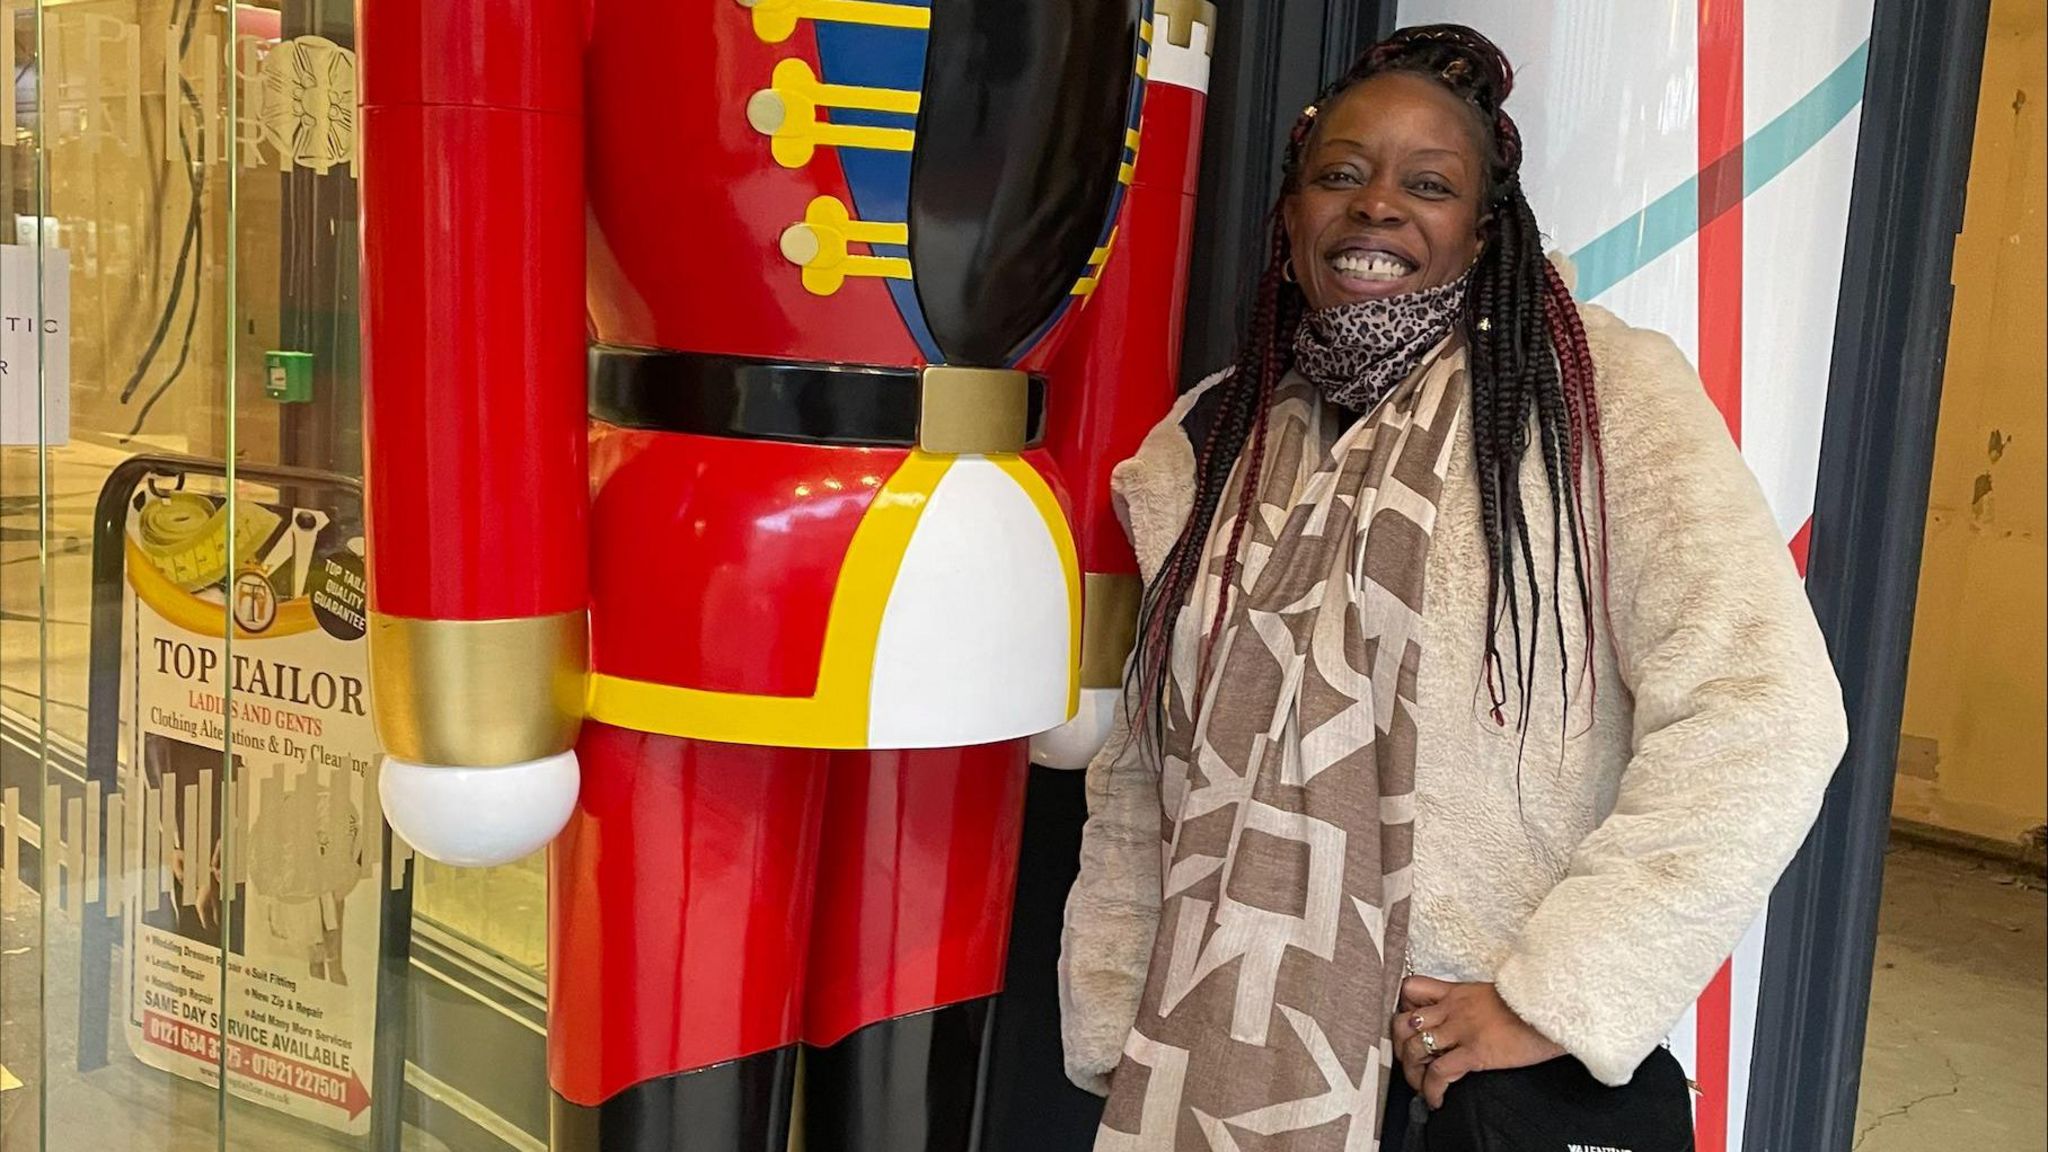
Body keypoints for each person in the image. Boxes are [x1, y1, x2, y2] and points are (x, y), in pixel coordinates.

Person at [1058, 24, 1848, 1149]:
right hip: (1218, 1053)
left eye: (1427, 184)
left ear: (1481, 231)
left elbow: (1760, 710)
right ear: (1289, 216)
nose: (1377, 205)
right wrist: (1116, 1015)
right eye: (1341, 173)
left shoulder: (1597, 399)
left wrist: (1554, 992)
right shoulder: (1203, 445)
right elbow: (1147, 763)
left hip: (1453, 1082)